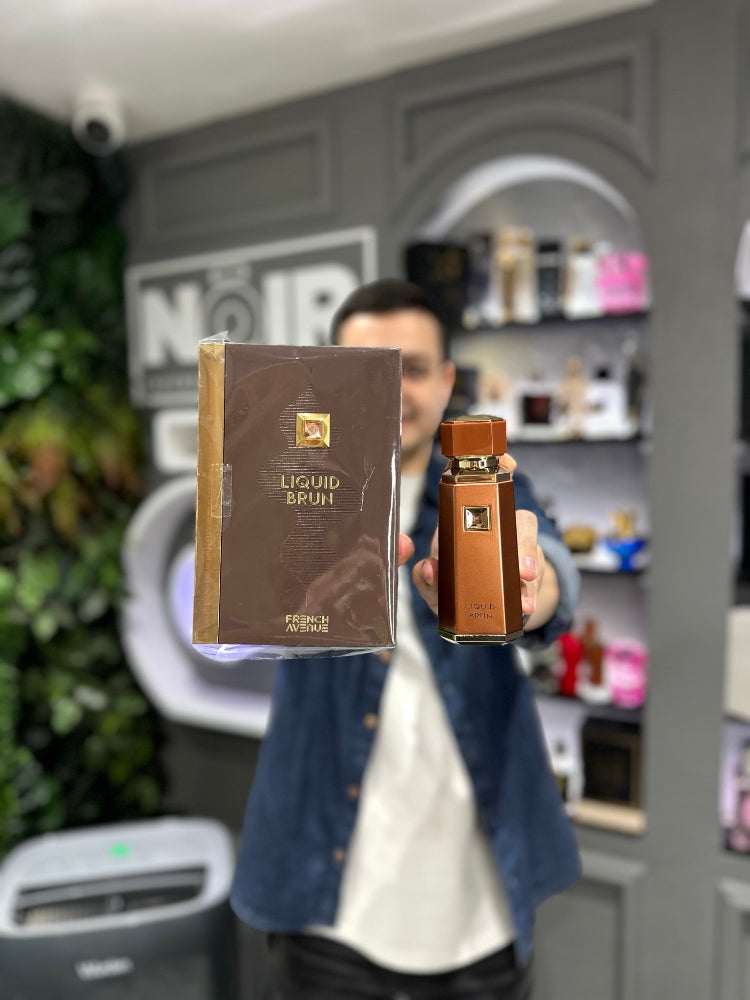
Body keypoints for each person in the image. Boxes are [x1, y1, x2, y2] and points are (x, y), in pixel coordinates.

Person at [230, 279, 582, 999]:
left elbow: (547, 567)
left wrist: (524, 589)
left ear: (447, 379)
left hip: (479, 904)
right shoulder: (295, 485)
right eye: (368, 371)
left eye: (413, 369)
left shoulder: (489, 487)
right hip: (327, 898)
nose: (392, 391)